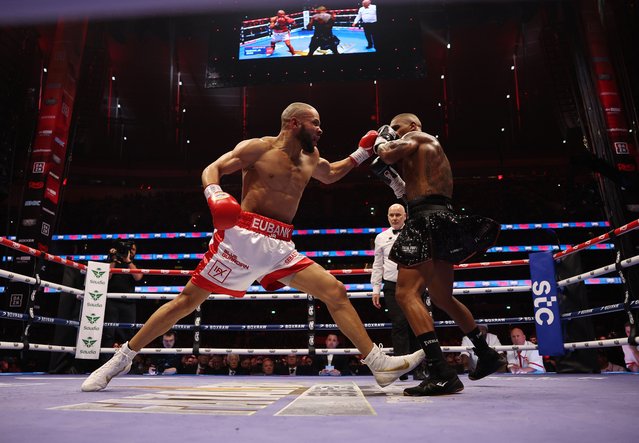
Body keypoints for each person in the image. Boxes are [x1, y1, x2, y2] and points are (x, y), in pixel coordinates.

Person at [82, 102, 424, 392]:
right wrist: (214, 193)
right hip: (241, 239)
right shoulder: (257, 148)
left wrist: (362, 152)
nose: (320, 129)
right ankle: (121, 359)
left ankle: (377, 363)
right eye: (315, 122)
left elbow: (331, 173)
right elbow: (213, 168)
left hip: (280, 245)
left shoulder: (311, 156)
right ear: (294, 122)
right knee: (186, 302)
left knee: (335, 291)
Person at [370, 112, 505, 396]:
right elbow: (417, 189)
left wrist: (381, 140)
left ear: (413, 125)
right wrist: (395, 183)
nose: (395, 131)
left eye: (397, 127)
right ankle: (486, 353)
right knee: (442, 297)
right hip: (441, 217)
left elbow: (386, 151)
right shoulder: (426, 150)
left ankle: (441, 372)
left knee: (406, 295)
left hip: (424, 221)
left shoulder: (416, 136)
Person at [371, 203, 428, 380]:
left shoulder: (415, 233)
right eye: (391, 215)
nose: (394, 218)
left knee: (417, 324)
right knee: (399, 324)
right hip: (391, 285)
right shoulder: (381, 237)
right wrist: (375, 288)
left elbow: (424, 259)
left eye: (398, 215)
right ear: (388, 217)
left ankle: (419, 368)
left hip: (414, 285)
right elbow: (377, 264)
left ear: (405, 216)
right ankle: (401, 369)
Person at [102, 241, 142, 351]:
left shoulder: (134, 263)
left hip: (128, 303)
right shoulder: (113, 260)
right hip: (111, 302)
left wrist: (128, 261)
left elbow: (138, 277)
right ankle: (106, 361)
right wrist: (114, 259)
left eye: (133, 250)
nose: (131, 251)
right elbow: (106, 276)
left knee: (128, 332)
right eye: (130, 249)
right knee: (108, 332)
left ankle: (125, 362)